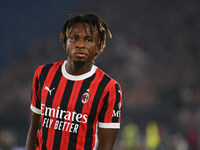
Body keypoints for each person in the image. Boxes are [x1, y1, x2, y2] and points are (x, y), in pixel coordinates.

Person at [25, 13, 123, 150]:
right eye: (74, 38)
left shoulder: (109, 88)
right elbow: (34, 128)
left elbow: (105, 147)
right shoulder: (43, 74)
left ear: (99, 45)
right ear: (65, 41)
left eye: (88, 40)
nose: (80, 45)